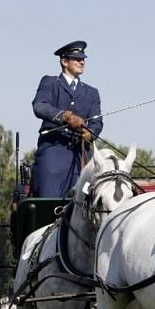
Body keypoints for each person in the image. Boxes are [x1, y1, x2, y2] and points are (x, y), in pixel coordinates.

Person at [31, 41, 103, 197]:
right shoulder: (50, 83)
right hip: (53, 151)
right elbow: (39, 106)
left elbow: (97, 122)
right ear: (64, 61)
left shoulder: (92, 93)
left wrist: (90, 134)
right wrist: (66, 116)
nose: (82, 62)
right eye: (76, 59)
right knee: (49, 200)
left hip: (82, 157)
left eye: (83, 59)